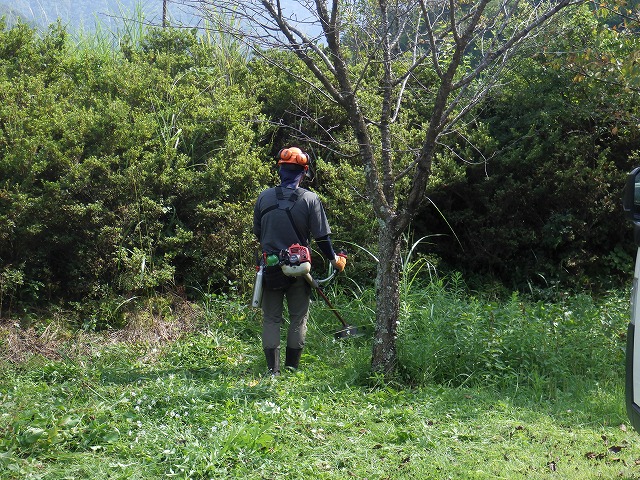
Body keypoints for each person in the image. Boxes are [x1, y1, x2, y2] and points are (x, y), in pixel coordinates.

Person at [253, 146, 347, 375]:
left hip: (271, 268)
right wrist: (335, 260)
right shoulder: (310, 199)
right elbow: (322, 238)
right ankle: (292, 368)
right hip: (299, 269)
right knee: (298, 318)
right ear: (303, 172)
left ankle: (273, 371)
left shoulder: (264, 197)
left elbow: (258, 233)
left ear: (280, 170)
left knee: (271, 319)